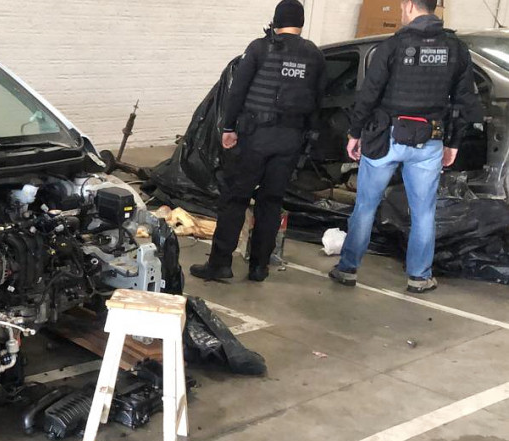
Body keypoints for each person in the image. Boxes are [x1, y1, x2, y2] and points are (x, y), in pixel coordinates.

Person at [329, 0, 483, 293]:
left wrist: (355, 133)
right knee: (423, 212)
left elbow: (368, 95)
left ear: (410, 5)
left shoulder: (392, 46)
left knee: (365, 206)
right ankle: (419, 277)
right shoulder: (455, 49)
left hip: (385, 138)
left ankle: (347, 269)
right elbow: (465, 102)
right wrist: (453, 143)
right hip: (430, 140)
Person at [190, 0, 325, 283]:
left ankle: (220, 264)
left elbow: (237, 91)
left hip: (255, 137)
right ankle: (259, 267)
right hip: (290, 141)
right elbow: (318, 100)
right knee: (271, 202)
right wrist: (308, 140)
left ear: (276, 21)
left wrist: (229, 128)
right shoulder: (314, 55)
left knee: (235, 199)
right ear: (301, 24)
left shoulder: (260, 48)